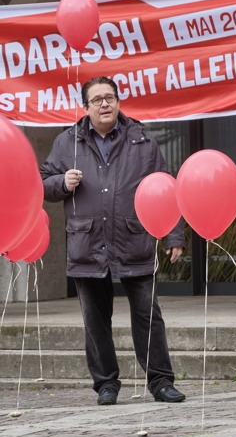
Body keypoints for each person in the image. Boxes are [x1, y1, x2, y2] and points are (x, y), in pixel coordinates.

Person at [41, 77, 187, 406]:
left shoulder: (141, 140)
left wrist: (173, 233)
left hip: (134, 239)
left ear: (118, 102)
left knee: (149, 314)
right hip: (87, 243)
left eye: (110, 98)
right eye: (97, 100)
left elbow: (165, 186)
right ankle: (106, 384)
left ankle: (161, 382)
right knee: (95, 319)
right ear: (86, 107)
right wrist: (61, 183)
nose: (105, 104)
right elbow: (41, 182)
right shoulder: (68, 143)